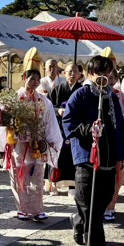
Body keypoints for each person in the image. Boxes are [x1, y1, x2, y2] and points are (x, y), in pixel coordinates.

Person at [63, 56, 124, 246]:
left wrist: (123, 152)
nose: (106, 77)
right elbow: (69, 123)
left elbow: (120, 127)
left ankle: (80, 222)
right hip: (86, 156)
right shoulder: (80, 95)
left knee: (105, 197)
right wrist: (88, 129)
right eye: (101, 72)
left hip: (109, 156)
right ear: (91, 74)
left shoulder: (112, 97)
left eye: (108, 73)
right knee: (88, 200)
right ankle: (96, 245)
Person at [0, 52, 63, 220]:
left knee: (37, 175)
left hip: (37, 142)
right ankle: (22, 208)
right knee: (19, 173)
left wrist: (51, 139)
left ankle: (37, 208)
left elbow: (49, 121)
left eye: (37, 79)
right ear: (23, 77)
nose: (34, 82)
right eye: (31, 78)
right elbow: (2, 119)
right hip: (19, 143)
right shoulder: (14, 98)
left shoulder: (43, 100)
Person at [49, 62, 82, 193]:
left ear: (80, 74)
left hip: (75, 129)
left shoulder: (82, 91)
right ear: (64, 74)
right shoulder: (57, 90)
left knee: (73, 157)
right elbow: (49, 107)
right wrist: (59, 111)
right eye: (69, 72)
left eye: (75, 72)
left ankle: (73, 186)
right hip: (59, 128)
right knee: (58, 156)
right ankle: (55, 184)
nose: (72, 74)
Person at [104, 68, 124, 222]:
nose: (111, 80)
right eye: (109, 76)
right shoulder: (98, 93)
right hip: (105, 137)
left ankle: (111, 206)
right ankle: (103, 206)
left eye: (114, 77)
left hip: (119, 135)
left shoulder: (119, 94)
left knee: (117, 173)